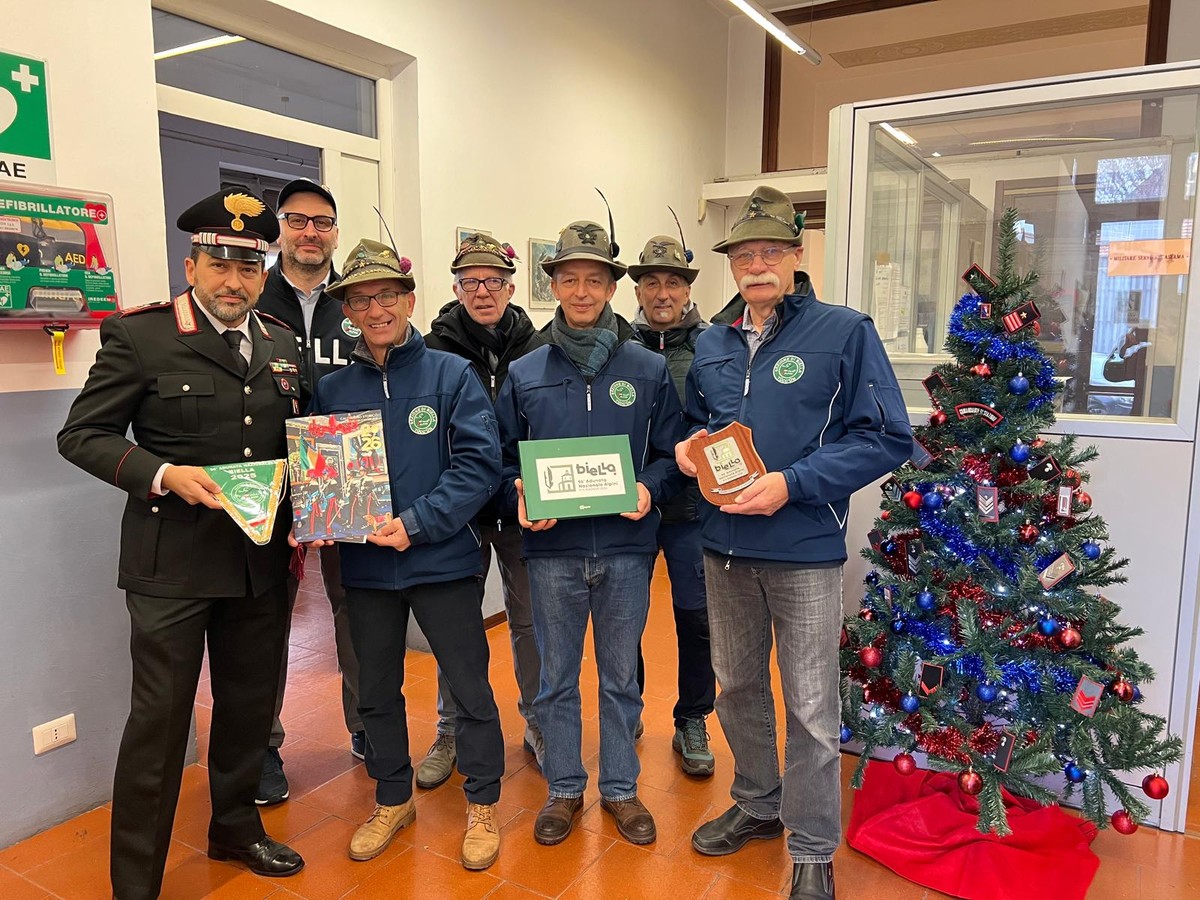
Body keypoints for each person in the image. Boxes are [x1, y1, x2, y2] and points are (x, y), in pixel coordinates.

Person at [57, 188, 306, 899]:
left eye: (249, 268)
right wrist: (162, 474)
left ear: (263, 273)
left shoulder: (281, 342)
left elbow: (297, 440)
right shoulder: (141, 336)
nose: (234, 282)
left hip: (259, 561)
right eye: (219, 265)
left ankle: (234, 829)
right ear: (192, 266)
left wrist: (319, 504)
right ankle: (135, 879)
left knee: (248, 709)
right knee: (160, 724)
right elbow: (82, 434)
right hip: (171, 564)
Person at [677, 186, 912, 900]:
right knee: (738, 687)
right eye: (743, 255)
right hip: (722, 547)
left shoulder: (844, 332)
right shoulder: (712, 342)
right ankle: (757, 803)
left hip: (804, 548)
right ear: (732, 264)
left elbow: (887, 437)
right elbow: (696, 423)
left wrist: (793, 483)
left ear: (796, 256)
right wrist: (687, 448)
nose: (756, 265)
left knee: (811, 705)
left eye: (770, 252)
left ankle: (812, 846)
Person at [305, 238, 505, 871]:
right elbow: (320, 470)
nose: (376, 309)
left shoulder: (451, 375)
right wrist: (317, 515)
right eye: (361, 300)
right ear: (348, 311)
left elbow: (479, 467)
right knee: (376, 691)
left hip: (442, 561)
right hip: (365, 568)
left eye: (387, 295)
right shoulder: (333, 388)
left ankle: (482, 801)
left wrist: (417, 523)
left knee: (469, 687)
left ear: (410, 300)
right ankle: (392, 797)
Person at [494, 218, 684, 847]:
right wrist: (520, 493)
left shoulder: (646, 368)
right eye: (569, 280)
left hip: (627, 551)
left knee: (620, 678)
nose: (581, 292)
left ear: (611, 287)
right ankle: (565, 787)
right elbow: (501, 457)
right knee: (555, 679)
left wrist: (649, 487)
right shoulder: (525, 371)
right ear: (553, 286)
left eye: (594, 280)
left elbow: (670, 453)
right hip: (552, 552)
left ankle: (622, 789)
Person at [418, 232, 548, 787]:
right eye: (470, 282)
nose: (482, 291)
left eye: (493, 281)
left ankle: (538, 723)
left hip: (522, 506)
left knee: (531, 623)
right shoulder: (432, 350)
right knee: (457, 627)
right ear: (456, 289)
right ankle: (451, 729)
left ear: (511, 287)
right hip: (459, 512)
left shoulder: (538, 348)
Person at [253, 177, 363, 805]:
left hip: (347, 475)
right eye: (297, 220)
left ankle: (367, 725)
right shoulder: (251, 295)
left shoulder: (356, 300)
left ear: (335, 233)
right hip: (272, 481)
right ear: (280, 230)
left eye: (322, 222)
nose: (310, 232)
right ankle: (262, 745)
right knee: (268, 618)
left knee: (358, 608)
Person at [627, 232, 716, 777]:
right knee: (624, 617)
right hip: (631, 504)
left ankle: (693, 718)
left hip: (693, 510)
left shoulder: (713, 347)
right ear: (637, 290)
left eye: (674, 283)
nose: (663, 293)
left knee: (696, 617)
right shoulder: (617, 346)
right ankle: (627, 707)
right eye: (652, 282)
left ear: (687, 289)